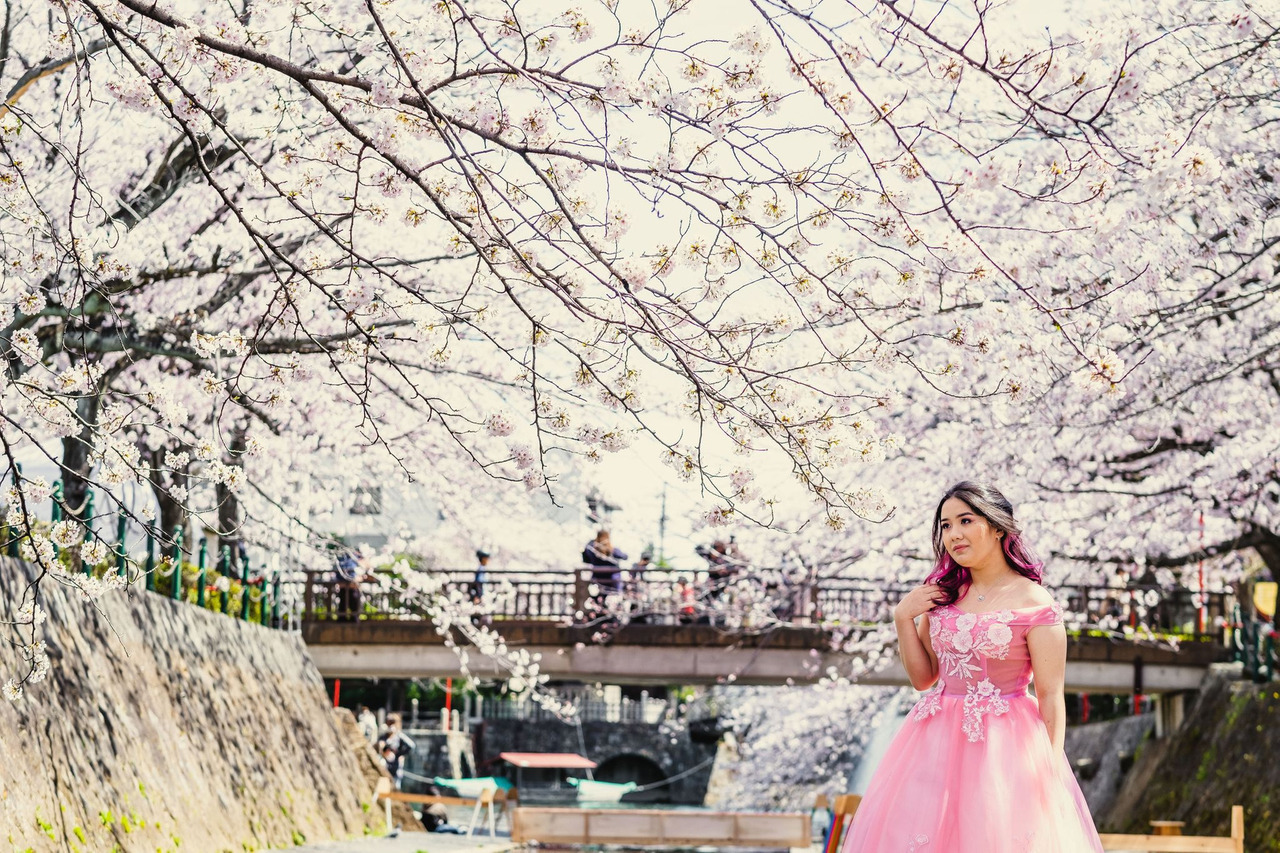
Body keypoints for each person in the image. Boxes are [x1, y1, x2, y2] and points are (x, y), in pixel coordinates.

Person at [843, 481, 1103, 852]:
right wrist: (903, 616)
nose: (954, 534)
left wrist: (1050, 771)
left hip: (1006, 743)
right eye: (946, 525)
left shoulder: (1035, 601)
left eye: (965, 521)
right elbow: (923, 678)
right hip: (934, 739)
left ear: (998, 526)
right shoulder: (941, 594)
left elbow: (1050, 695)